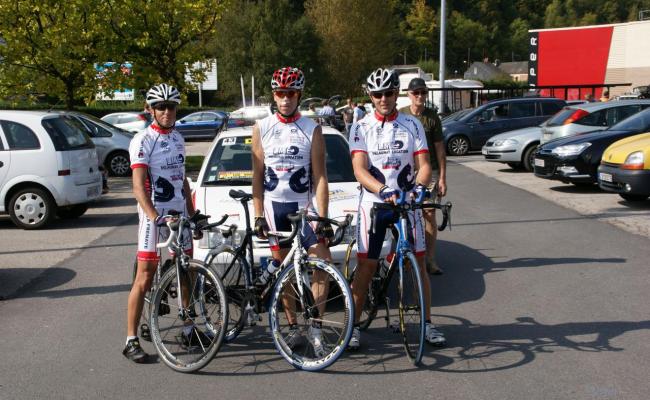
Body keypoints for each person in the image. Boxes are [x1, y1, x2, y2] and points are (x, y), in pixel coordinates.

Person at [347, 68, 446, 351]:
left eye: (388, 93)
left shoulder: (412, 124)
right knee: (367, 265)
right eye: (378, 94)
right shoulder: (361, 127)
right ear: (370, 96)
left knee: (419, 263)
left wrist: (420, 187)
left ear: (396, 94)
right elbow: (359, 169)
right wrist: (382, 190)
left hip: (406, 202)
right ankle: (352, 326)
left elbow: (424, 165)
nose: (383, 99)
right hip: (374, 204)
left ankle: (427, 324)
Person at [251, 66, 333, 356]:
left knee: (322, 263)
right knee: (283, 270)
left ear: (299, 95)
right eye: (280, 93)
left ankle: (317, 329)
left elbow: (320, 177)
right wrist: (258, 214)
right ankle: (294, 328)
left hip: (304, 208)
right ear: (274, 95)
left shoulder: (312, 128)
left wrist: (323, 217)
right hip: (274, 208)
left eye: (291, 93)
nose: (285, 98)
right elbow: (257, 177)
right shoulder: (261, 127)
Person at [124, 83, 199, 363]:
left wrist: (192, 213)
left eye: (171, 107)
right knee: (145, 276)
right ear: (150, 109)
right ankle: (130, 340)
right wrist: (154, 216)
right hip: (154, 215)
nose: (167, 112)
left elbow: (183, 181)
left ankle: (188, 328)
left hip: (179, 214)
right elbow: (138, 188)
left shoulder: (178, 137)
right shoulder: (142, 140)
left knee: (186, 270)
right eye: (161, 107)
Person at [400, 77, 447, 275]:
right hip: (406, 173)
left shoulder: (432, 117)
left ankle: (430, 259)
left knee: (429, 213)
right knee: (406, 214)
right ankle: (408, 256)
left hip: (431, 171)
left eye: (423, 92)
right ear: (409, 94)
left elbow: (440, 148)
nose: (420, 96)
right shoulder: (401, 115)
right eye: (416, 92)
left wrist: (442, 177)